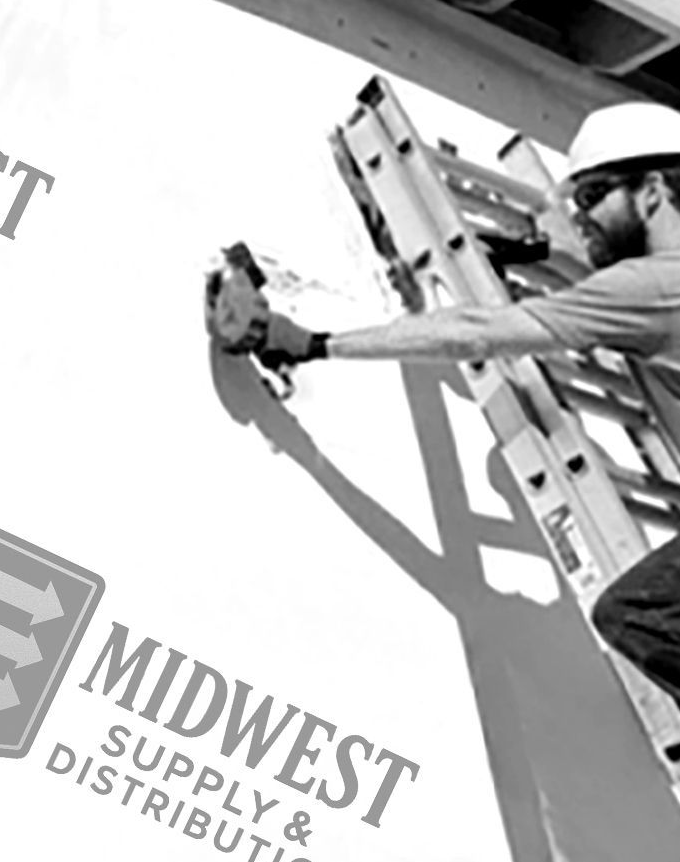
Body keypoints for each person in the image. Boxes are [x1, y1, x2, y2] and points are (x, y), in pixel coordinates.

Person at [210, 98, 680, 714]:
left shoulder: (653, 285)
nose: (581, 216)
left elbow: (475, 333)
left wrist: (315, 344)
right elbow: (592, 273)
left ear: (653, 192)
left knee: (635, 611)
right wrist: (534, 249)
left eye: (593, 196)